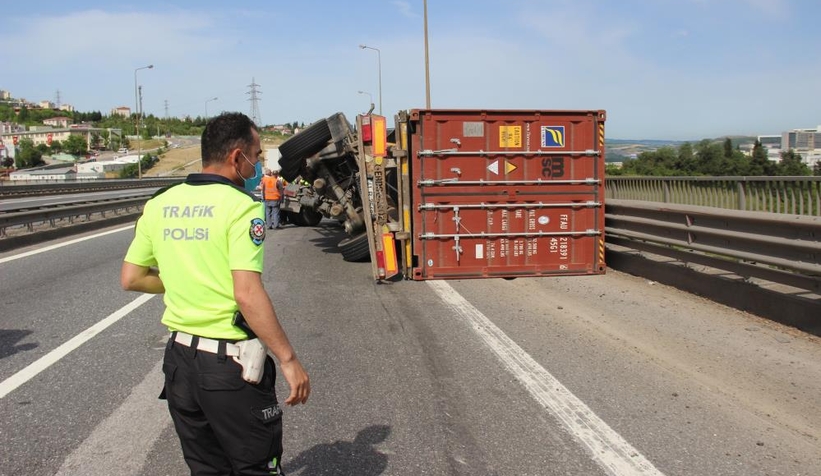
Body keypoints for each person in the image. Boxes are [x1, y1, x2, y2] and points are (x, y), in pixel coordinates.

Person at [120, 112, 310, 476]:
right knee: (256, 466)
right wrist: (288, 359)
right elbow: (247, 294)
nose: (258, 165)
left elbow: (131, 277)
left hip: (179, 366)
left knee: (206, 469)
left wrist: (180, 279)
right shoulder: (240, 207)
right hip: (229, 368)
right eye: (257, 155)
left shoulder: (160, 203)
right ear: (237, 157)